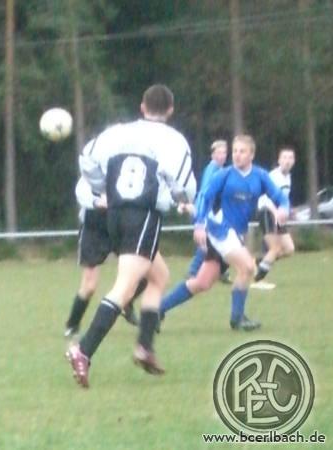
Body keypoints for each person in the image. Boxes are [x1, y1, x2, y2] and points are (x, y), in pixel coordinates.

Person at [65, 84, 197, 387]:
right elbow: (185, 186)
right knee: (124, 288)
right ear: (170, 110)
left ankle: (145, 346)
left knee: (159, 276)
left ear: (142, 107)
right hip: (143, 215)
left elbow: (87, 159)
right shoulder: (173, 140)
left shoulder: (117, 132)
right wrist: (179, 197)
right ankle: (83, 350)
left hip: (113, 215)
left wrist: (102, 187)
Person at [159, 135, 290, 331]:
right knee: (247, 267)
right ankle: (237, 319)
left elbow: (280, 197)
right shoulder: (225, 175)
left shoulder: (260, 176)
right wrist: (199, 224)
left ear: (252, 154)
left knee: (202, 282)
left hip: (233, 234)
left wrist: (283, 209)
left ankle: (157, 309)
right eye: (235, 151)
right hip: (220, 229)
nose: (237, 155)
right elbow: (204, 197)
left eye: (242, 151)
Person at [63, 174, 144, 338]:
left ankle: (127, 301)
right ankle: (72, 324)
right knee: (89, 285)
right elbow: (81, 192)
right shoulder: (91, 173)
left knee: (144, 270)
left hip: (117, 227)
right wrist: (97, 202)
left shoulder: (123, 171)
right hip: (93, 229)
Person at [186, 140, 228, 278]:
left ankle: (221, 271)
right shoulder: (213, 169)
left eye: (224, 153)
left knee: (218, 240)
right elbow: (206, 192)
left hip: (213, 210)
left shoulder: (220, 170)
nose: (222, 156)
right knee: (208, 241)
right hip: (205, 210)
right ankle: (193, 271)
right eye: (219, 153)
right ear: (213, 155)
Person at [254, 148, 296, 283]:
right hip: (267, 212)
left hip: (278, 215)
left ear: (294, 161)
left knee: (289, 249)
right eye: (284, 157)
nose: (287, 161)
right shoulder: (273, 176)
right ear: (279, 160)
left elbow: (283, 199)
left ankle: (261, 262)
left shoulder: (288, 177)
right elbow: (265, 199)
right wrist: (276, 212)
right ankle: (256, 279)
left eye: (290, 158)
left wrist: (288, 210)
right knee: (275, 248)